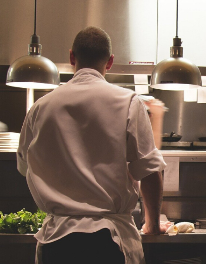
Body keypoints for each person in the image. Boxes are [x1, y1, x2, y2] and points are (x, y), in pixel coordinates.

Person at [16, 26, 168, 264]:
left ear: (71, 57)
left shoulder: (40, 107)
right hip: (109, 242)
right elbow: (149, 170)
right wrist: (152, 224)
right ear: (110, 62)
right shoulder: (128, 102)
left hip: (56, 242)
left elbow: (26, 168)